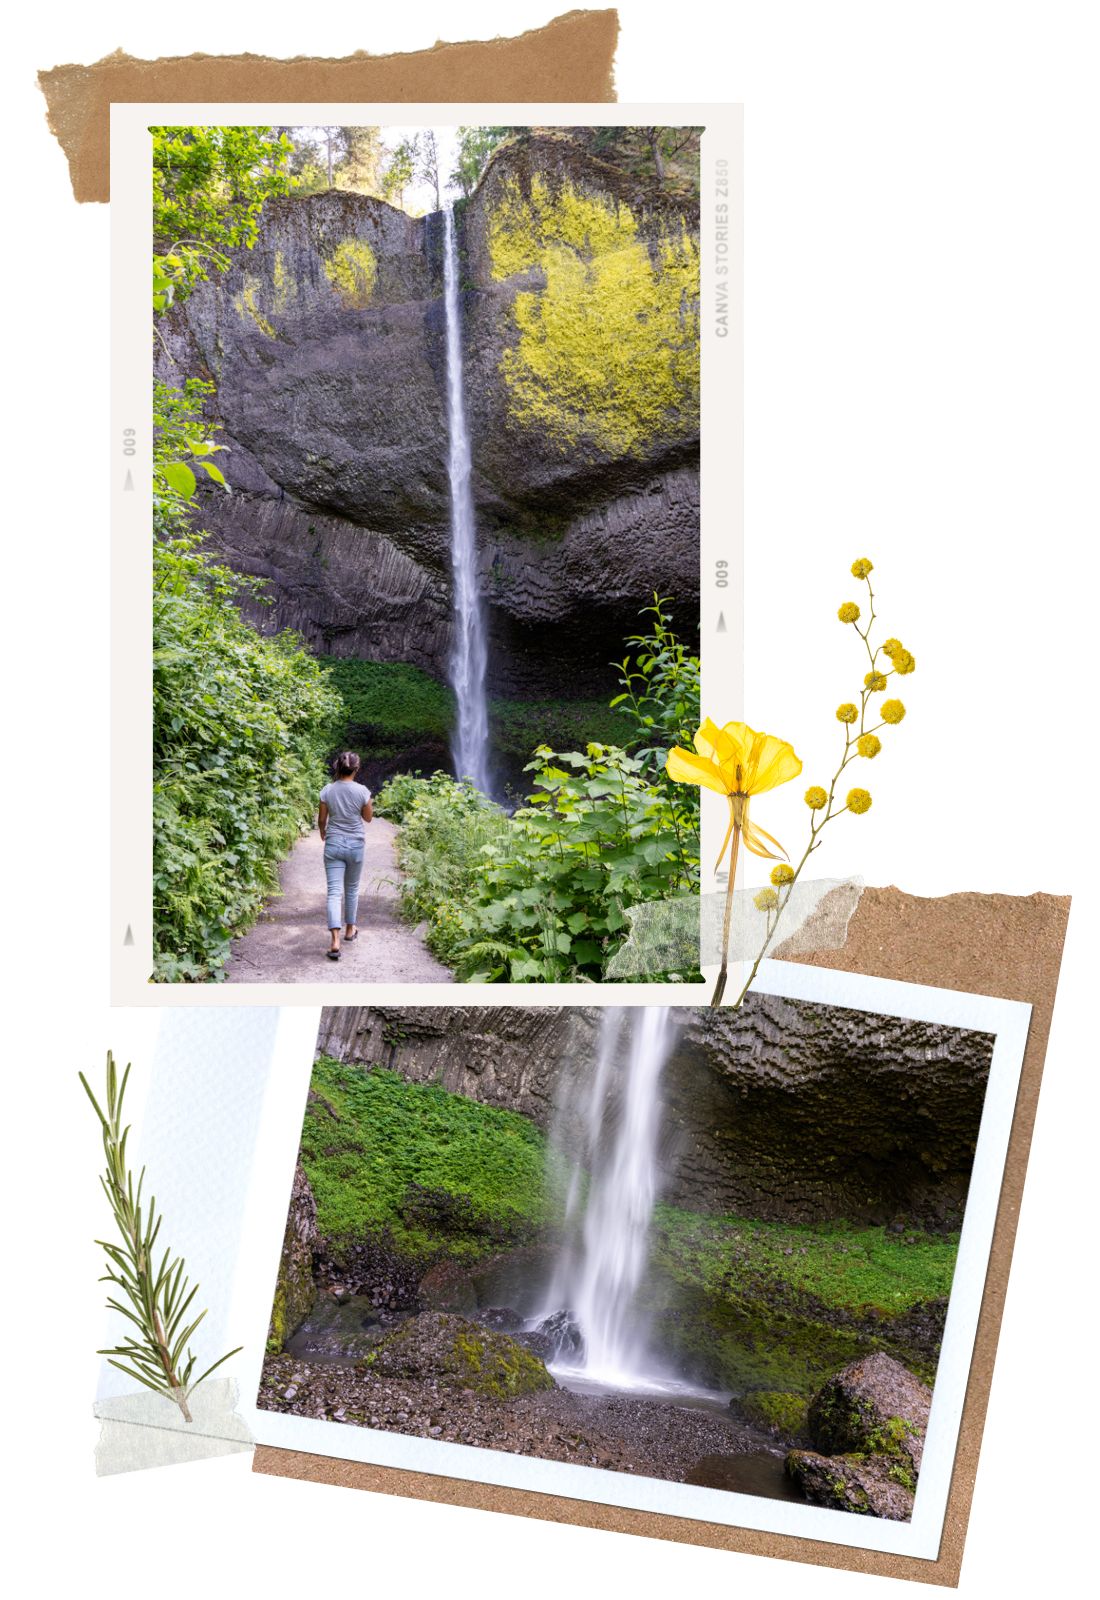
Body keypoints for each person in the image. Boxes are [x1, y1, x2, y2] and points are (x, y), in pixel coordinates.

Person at [318, 752, 373, 960]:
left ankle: (334, 941)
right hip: (356, 846)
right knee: (351, 889)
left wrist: (323, 833)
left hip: (333, 844)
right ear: (356, 769)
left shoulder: (327, 790)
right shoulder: (363, 791)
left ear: (337, 768)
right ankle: (350, 930)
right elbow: (368, 819)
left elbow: (322, 820)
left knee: (333, 892)